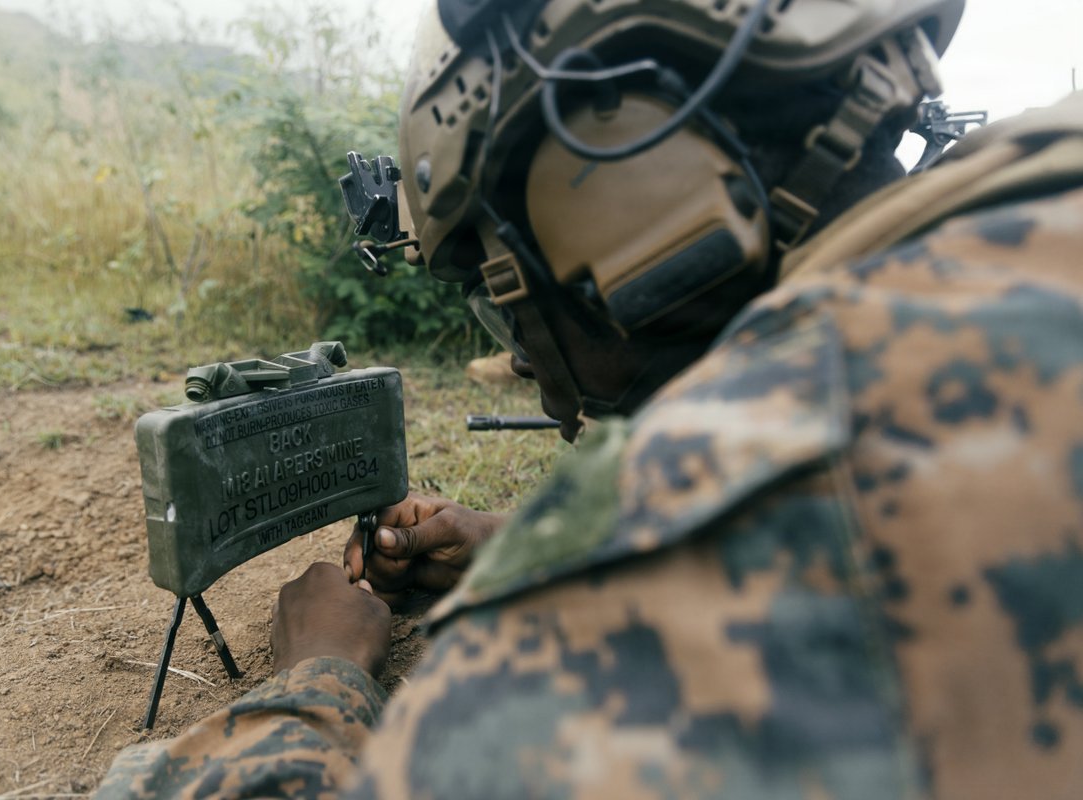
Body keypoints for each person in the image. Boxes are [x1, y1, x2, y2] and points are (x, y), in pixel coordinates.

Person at [99, 0, 1083, 796]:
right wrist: (539, 536)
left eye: (496, 289)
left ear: (613, 204)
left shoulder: (601, 640)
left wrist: (318, 677)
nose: (523, 360)